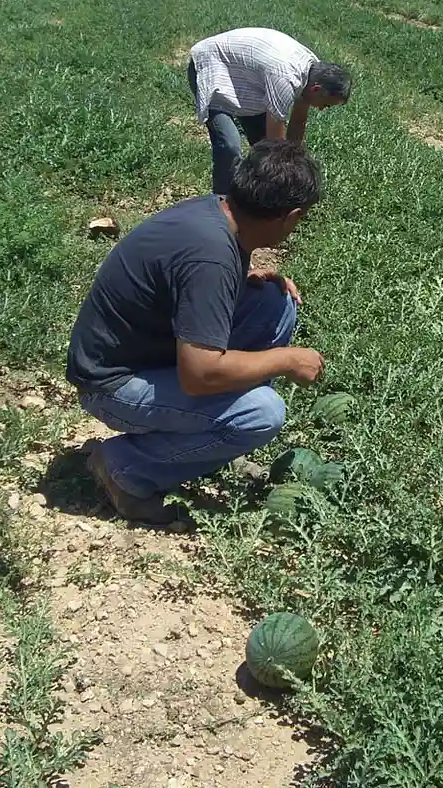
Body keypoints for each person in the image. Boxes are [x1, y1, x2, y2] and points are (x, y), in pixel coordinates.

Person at [65, 140, 325, 526]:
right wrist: (287, 359)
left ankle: (210, 441)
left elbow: (185, 281)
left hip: (145, 354)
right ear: (291, 216)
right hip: (111, 386)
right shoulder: (211, 257)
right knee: (262, 413)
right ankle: (125, 468)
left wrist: (239, 282)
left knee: (274, 303)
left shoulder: (218, 213)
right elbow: (200, 374)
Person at [187, 27, 352, 194]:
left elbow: (298, 121)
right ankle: (223, 200)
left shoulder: (313, 73)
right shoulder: (286, 78)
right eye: (326, 104)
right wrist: (287, 181)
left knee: (263, 144)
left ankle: (255, 192)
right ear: (316, 89)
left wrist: (295, 161)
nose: (322, 109)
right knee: (230, 146)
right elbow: (276, 145)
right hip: (210, 66)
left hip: (245, 79)